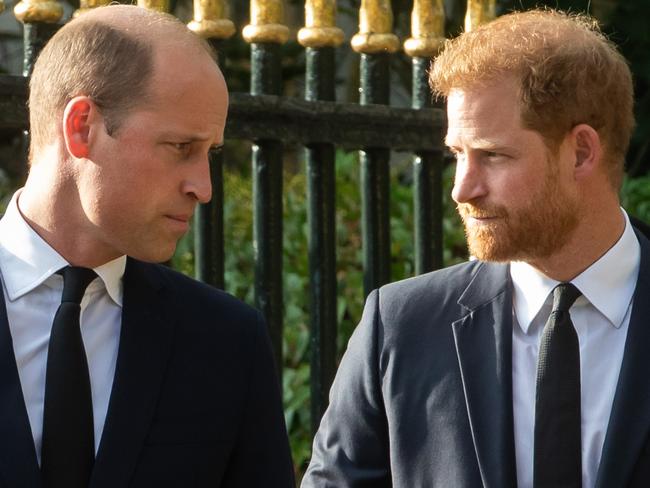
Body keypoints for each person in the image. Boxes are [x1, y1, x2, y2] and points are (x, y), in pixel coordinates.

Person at [302, 9, 650, 488]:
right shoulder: (401, 325)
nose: (461, 190)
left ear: (582, 152)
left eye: (492, 155)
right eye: (457, 154)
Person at [1, 4, 294, 487]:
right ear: (82, 127)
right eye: (181, 147)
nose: (204, 187)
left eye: (210, 154)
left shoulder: (226, 342)